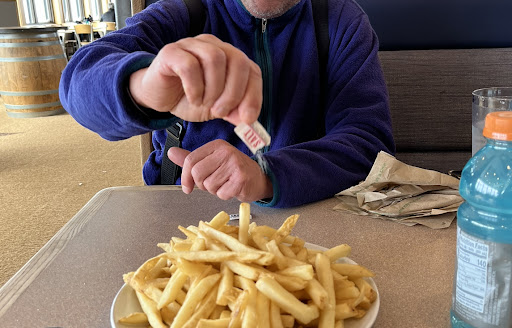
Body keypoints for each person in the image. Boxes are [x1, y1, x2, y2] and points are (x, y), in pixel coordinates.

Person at [59, 0, 395, 208]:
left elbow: (369, 144)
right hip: (183, 210)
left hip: (304, 208)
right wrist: (143, 85)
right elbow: (78, 82)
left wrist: (267, 174)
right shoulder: (182, 12)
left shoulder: (342, 21)